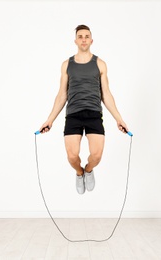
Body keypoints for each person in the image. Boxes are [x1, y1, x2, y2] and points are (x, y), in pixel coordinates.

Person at [38, 24, 129, 194]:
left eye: (87, 36)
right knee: (72, 157)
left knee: (96, 156)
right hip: (73, 114)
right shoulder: (67, 64)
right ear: (75, 41)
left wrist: (119, 119)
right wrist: (49, 120)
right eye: (80, 36)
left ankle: (88, 170)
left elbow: (106, 95)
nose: (84, 39)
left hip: (94, 113)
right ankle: (79, 173)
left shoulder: (100, 64)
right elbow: (61, 95)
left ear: (91, 40)